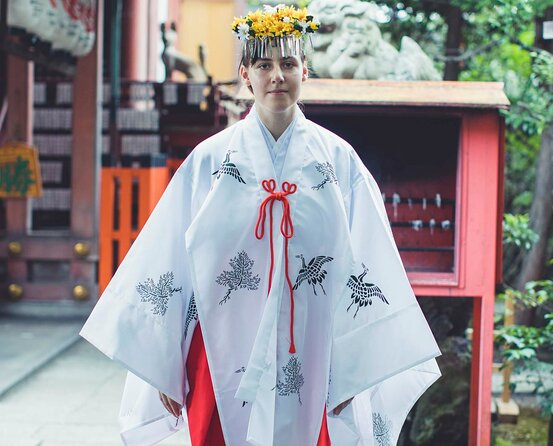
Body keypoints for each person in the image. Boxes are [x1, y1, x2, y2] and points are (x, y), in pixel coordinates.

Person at [80, 4, 440, 446]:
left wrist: (355, 365)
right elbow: (169, 254)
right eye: (264, 64)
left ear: (305, 70)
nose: (276, 76)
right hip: (219, 343)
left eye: (288, 63)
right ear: (245, 73)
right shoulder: (210, 162)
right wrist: (163, 361)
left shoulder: (338, 162)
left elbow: (368, 259)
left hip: (314, 348)